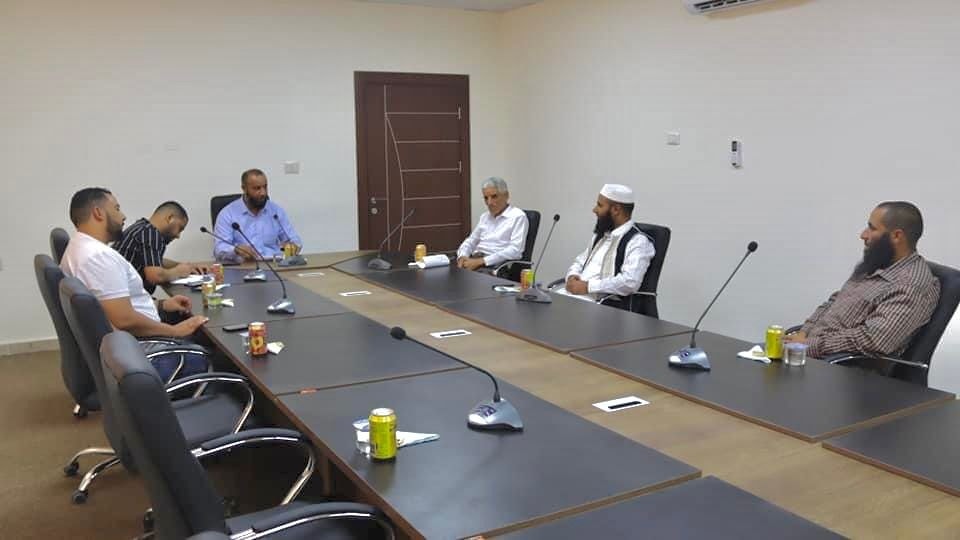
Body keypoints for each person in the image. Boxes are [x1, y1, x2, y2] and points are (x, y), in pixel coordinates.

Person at [60, 188, 209, 381]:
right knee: (213, 355)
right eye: (117, 208)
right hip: (139, 354)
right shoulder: (98, 258)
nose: (123, 216)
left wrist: (161, 305)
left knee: (195, 331)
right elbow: (125, 320)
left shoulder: (80, 248)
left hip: (126, 347)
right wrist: (175, 332)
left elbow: (109, 306)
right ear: (98, 213)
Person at [785, 201, 939, 361]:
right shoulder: (878, 263)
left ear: (896, 236)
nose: (863, 235)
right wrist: (804, 332)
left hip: (842, 368)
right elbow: (834, 301)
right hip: (811, 352)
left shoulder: (910, 285)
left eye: (872, 228)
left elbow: (874, 339)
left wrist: (809, 345)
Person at [557, 184, 655, 305]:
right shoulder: (601, 235)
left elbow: (630, 282)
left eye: (600, 205)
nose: (594, 210)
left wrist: (588, 287)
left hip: (602, 304)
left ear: (616, 210)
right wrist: (572, 276)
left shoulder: (638, 241)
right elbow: (580, 261)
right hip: (574, 296)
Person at [114, 201, 206, 294]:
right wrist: (178, 272)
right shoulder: (151, 233)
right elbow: (156, 276)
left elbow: (155, 261)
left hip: (122, 294)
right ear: (170, 218)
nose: (178, 236)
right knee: (184, 302)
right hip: (128, 298)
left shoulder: (142, 227)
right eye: (180, 228)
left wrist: (184, 266)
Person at [214, 168, 302, 263]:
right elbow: (219, 249)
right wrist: (236, 250)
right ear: (244, 189)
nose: (263, 193)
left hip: (274, 264)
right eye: (257, 188)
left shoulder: (275, 211)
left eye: (265, 187)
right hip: (244, 266)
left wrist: (292, 246)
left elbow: (294, 239)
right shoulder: (228, 214)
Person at [456, 177, 529, 272]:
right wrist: (462, 256)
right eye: (486, 198)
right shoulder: (485, 217)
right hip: (474, 260)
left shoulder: (518, 216)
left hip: (494, 266)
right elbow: (471, 241)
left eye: (494, 196)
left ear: (506, 196)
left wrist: (481, 261)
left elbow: (515, 251)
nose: (489, 202)